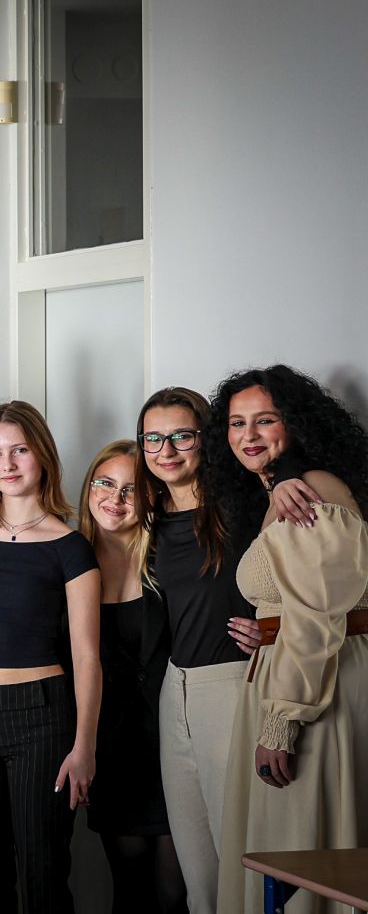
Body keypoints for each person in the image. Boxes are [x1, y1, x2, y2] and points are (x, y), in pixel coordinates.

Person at [202, 366, 368, 914]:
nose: (248, 435)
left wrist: (282, 722)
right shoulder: (280, 493)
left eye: (265, 420)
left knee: (301, 854)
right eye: (237, 423)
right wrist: (268, 630)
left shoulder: (309, 490)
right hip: (297, 678)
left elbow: (318, 616)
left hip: (315, 694)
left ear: (294, 424)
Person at [0, 401, 100, 913]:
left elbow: (87, 655)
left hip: (41, 717)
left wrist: (84, 746)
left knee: (43, 871)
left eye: (19, 450)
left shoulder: (70, 546)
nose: (6, 464)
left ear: (42, 455)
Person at [139, 387, 254, 914]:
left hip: (232, 685)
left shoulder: (243, 507)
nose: (166, 450)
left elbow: (309, 590)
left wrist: (276, 629)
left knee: (240, 857)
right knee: (197, 867)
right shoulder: (150, 518)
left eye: (181, 436)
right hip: (175, 688)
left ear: (206, 439)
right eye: (153, 438)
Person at [79, 439, 184, 914]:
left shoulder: (170, 558)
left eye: (131, 489)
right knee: (129, 888)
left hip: (174, 742)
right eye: (105, 483)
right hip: (112, 749)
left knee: (176, 892)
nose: (115, 499)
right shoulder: (68, 560)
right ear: (88, 488)